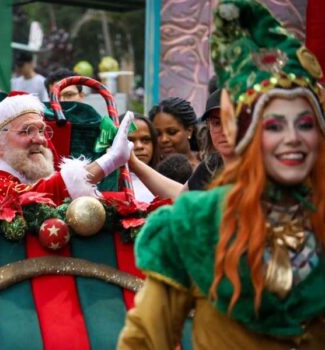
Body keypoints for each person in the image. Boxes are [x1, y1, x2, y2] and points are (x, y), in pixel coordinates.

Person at [118, 1, 325, 348]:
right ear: (244, 134)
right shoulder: (194, 223)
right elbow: (144, 341)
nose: (293, 138)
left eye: (304, 123)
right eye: (273, 124)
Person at [0, 93, 134, 205]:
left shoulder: (28, 176)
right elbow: (36, 198)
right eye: (27, 131)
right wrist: (110, 160)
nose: (40, 139)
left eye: (41, 130)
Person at [187, 88, 236, 190]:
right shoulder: (210, 166)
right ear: (208, 126)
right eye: (217, 123)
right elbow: (182, 197)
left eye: (231, 121)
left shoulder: (264, 167)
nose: (225, 131)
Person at [149, 97, 200, 169]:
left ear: (189, 131)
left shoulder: (210, 166)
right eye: (157, 134)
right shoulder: (149, 171)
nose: (164, 139)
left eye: (172, 132)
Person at [126, 113, 159, 202]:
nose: (139, 146)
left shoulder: (165, 180)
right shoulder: (103, 186)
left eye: (145, 140)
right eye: (130, 140)